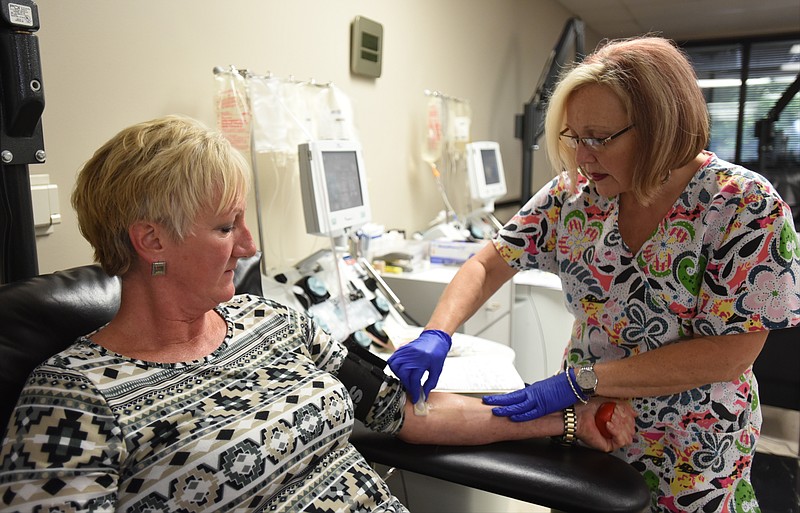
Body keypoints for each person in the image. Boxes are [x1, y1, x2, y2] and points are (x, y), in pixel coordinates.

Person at [0, 115, 635, 512]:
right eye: (226, 228)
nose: (250, 246)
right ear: (152, 242)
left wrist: (565, 422)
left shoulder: (273, 322)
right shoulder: (74, 402)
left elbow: (404, 411)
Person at [388, 36, 800, 512]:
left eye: (600, 138)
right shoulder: (574, 197)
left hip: (693, 446)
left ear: (661, 127)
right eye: (573, 137)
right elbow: (489, 262)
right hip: (591, 425)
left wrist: (581, 379)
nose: (583, 158)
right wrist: (437, 332)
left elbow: (729, 354)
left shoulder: (745, 208)